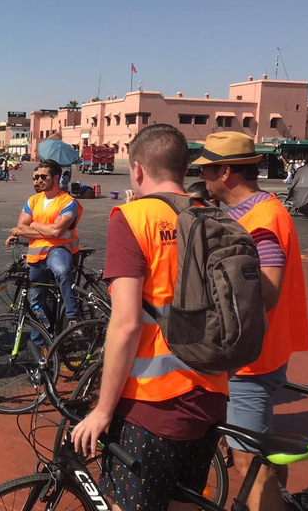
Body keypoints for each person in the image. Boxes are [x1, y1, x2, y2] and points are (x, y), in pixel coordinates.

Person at [72, 124, 228, 511]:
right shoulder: (213, 218)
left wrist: (103, 410)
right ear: (184, 167)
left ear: (137, 170)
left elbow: (126, 324)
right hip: (211, 390)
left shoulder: (132, 217)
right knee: (184, 501)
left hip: (152, 403)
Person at [198, 131, 308, 511]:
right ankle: (284, 499)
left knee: (247, 462)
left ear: (226, 171)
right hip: (262, 351)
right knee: (260, 449)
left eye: (207, 170)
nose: (203, 178)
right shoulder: (257, 210)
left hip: (251, 360)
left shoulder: (260, 220)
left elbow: (269, 289)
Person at [9, 159, 83, 336]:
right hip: (35, 256)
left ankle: (74, 317)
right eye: (36, 177)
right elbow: (21, 227)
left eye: (43, 176)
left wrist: (33, 225)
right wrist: (44, 229)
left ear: (56, 178)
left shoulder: (68, 202)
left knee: (62, 271)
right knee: (36, 301)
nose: (38, 180)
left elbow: (57, 232)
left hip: (59, 250)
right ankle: (42, 340)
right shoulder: (33, 200)